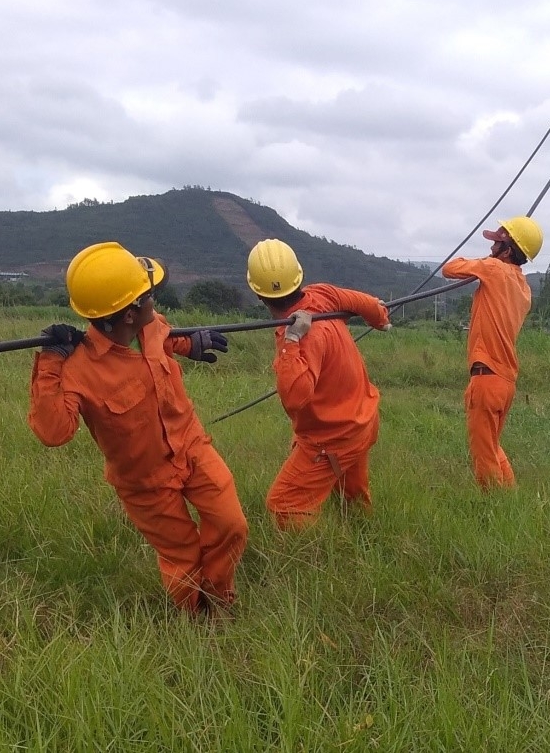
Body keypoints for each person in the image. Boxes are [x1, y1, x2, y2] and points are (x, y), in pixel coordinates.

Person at [29, 241, 249, 616]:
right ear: (129, 314)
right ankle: (199, 620)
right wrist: (51, 363)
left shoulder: (151, 325)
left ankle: (217, 599)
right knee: (183, 557)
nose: (154, 300)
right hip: (145, 483)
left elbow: (166, 337)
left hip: (192, 448)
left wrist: (190, 345)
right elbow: (53, 433)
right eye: (148, 296)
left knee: (232, 525)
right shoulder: (79, 369)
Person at [246, 238, 391, 530]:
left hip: (333, 437)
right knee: (352, 500)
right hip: (363, 420)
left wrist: (292, 341)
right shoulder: (323, 294)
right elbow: (367, 304)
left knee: (284, 505)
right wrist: (381, 320)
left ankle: (320, 552)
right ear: (298, 275)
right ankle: (365, 537)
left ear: (258, 294)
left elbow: (295, 398)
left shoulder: (297, 336)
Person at [441, 216, 542, 489]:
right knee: (492, 445)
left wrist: (487, 263)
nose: (491, 247)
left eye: (497, 243)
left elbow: (449, 268)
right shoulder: (524, 288)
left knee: (484, 454)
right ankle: (509, 497)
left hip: (487, 378)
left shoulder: (494, 269)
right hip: (505, 381)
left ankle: (492, 504)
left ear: (507, 251)